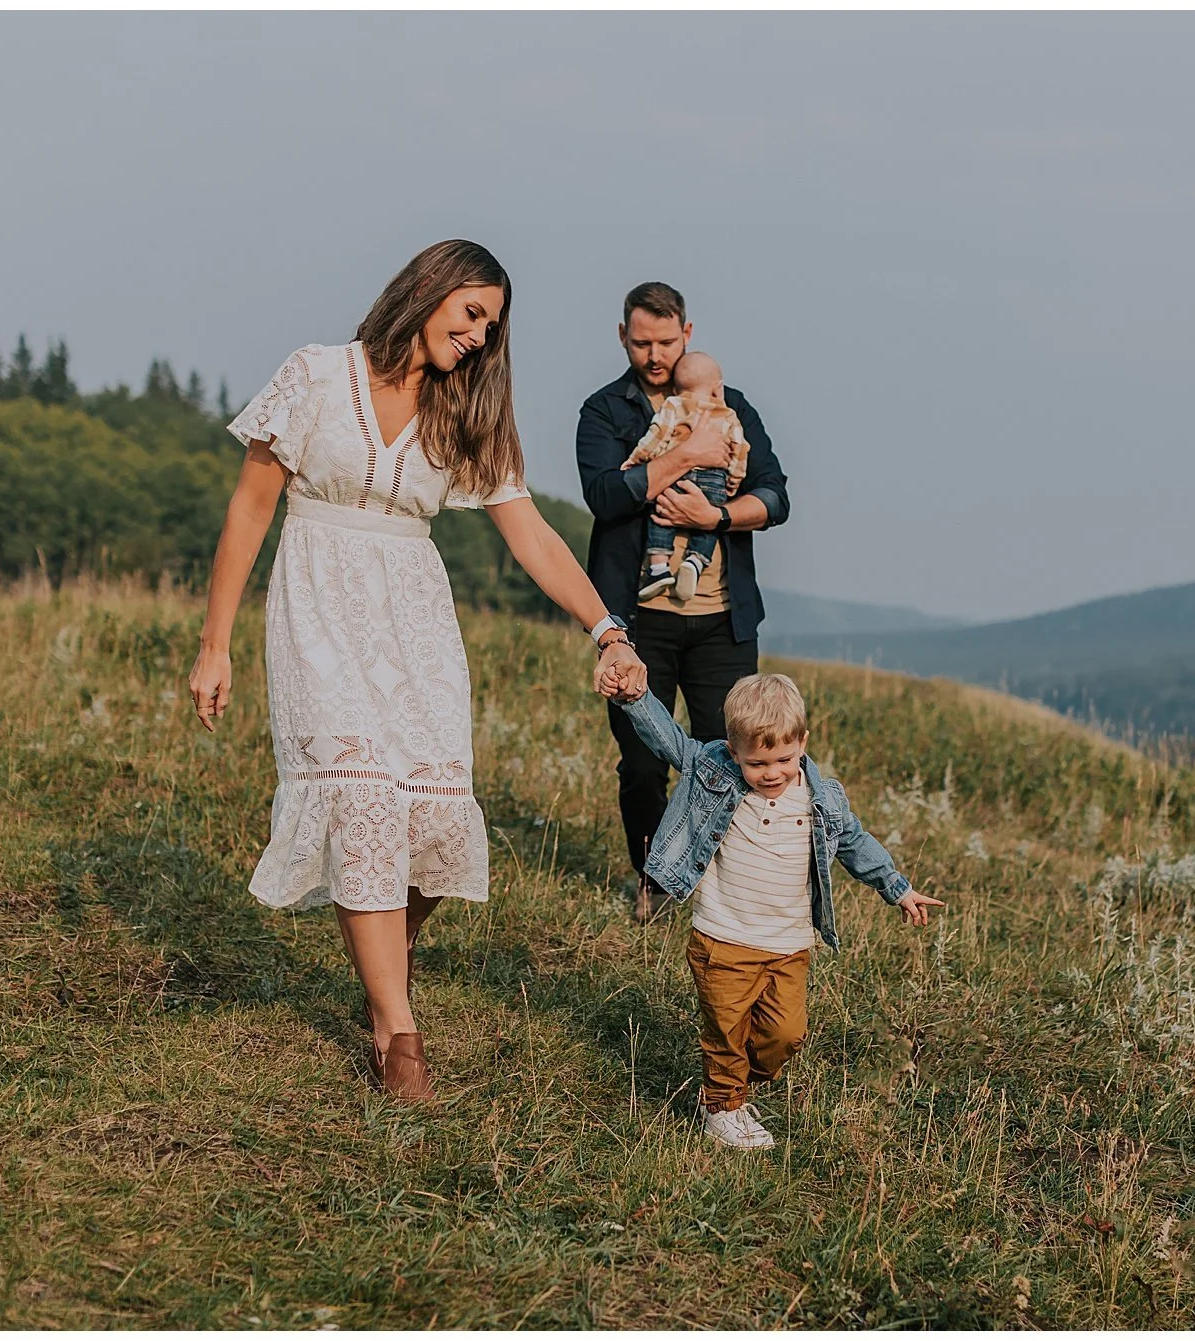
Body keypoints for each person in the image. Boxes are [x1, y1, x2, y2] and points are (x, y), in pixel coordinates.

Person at [188, 239, 648, 1103]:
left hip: (417, 619)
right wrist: (214, 645)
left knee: (434, 818)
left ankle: (383, 976)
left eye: (492, 326)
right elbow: (250, 510)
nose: (479, 337)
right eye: (471, 312)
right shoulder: (317, 375)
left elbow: (533, 537)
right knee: (361, 797)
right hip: (317, 603)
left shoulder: (464, 412)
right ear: (428, 290)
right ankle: (399, 1036)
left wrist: (606, 628)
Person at [601, 670, 944, 1149]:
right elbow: (668, 740)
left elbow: (854, 844)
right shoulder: (713, 771)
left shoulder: (821, 799)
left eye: (784, 758)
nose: (773, 773)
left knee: (785, 1035)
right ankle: (722, 1105)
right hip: (722, 936)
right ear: (733, 749)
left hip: (788, 944)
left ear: (802, 742)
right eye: (758, 763)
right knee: (726, 1028)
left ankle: (736, 1086)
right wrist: (636, 699)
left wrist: (897, 888)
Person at [576, 282, 790, 920]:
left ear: (687, 335)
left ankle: (722, 882)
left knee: (731, 756)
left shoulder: (733, 404)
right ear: (623, 338)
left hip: (724, 622)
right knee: (643, 765)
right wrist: (687, 456)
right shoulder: (605, 411)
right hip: (639, 622)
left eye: (666, 342)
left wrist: (716, 515)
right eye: (641, 343)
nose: (654, 354)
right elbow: (606, 497)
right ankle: (653, 882)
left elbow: (776, 498)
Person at [622, 351, 749, 603]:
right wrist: (733, 480)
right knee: (709, 522)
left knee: (663, 514)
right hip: (715, 479)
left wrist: (636, 460)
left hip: (677, 477)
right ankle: (695, 561)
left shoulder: (674, 404)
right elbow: (740, 450)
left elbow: (657, 437)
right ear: (717, 389)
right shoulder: (728, 415)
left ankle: (658, 567)